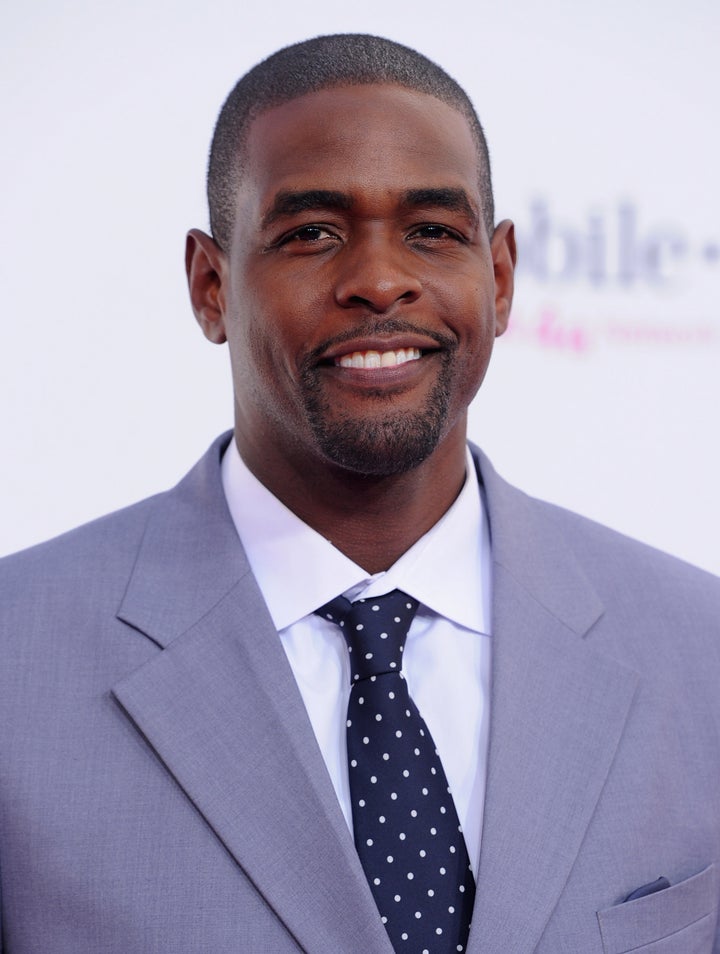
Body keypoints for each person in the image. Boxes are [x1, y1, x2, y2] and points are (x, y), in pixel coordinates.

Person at [0, 33, 718, 954]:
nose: (381, 280)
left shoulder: (702, 651)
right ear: (211, 286)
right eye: (312, 234)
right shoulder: (17, 663)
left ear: (498, 278)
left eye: (432, 232)